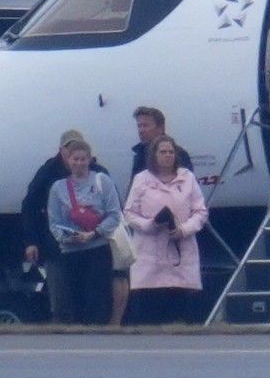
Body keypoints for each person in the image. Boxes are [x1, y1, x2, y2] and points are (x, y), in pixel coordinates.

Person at [23, 129, 113, 324]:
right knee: (62, 299)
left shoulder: (99, 174)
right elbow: (30, 206)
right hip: (58, 246)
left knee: (95, 298)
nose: (75, 154)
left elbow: (114, 210)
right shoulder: (48, 173)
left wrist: (97, 232)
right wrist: (31, 241)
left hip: (95, 244)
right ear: (61, 150)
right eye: (69, 148)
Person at [124, 135, 208, 324]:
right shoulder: (141, 179)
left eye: (171, 152)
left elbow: (200, 212)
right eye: (163, 152)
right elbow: (129, 213)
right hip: (149, 252)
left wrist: (184, 230)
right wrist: (150, 224)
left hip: (180, 251)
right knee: (149, 309)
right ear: (154, 155)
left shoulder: (187, 178)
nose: (168, 155)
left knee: (180, 307)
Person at [47, 139, 122, 325]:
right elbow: (54, 221)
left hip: (98, 248)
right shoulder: (58, 188)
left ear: (89, 160)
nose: (79, 163)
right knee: (75, 301)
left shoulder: (102, 181)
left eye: (83, 159)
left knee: (97, 300)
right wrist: (66, 238)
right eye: (75, 159)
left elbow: (114, 215)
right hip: (71, 251)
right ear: (68, 160)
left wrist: (94, 233)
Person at [130, 106, 193, 179]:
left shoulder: (178, 154)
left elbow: (186, 183)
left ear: (160, 128)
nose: (141, 130)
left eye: (145, 125)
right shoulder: (140, 153)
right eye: (139, 126)